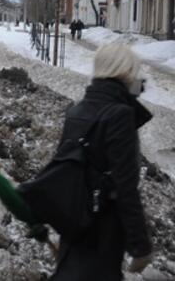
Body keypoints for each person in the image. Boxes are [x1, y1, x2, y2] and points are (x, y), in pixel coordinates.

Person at [51, 43, 152, 281]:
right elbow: (125, 185)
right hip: (102, 231)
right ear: (125, 72)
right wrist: (140, 246)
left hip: (74, 224)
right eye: (134, 73)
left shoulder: (77, 110)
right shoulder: (120, 115)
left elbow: (63, 170)